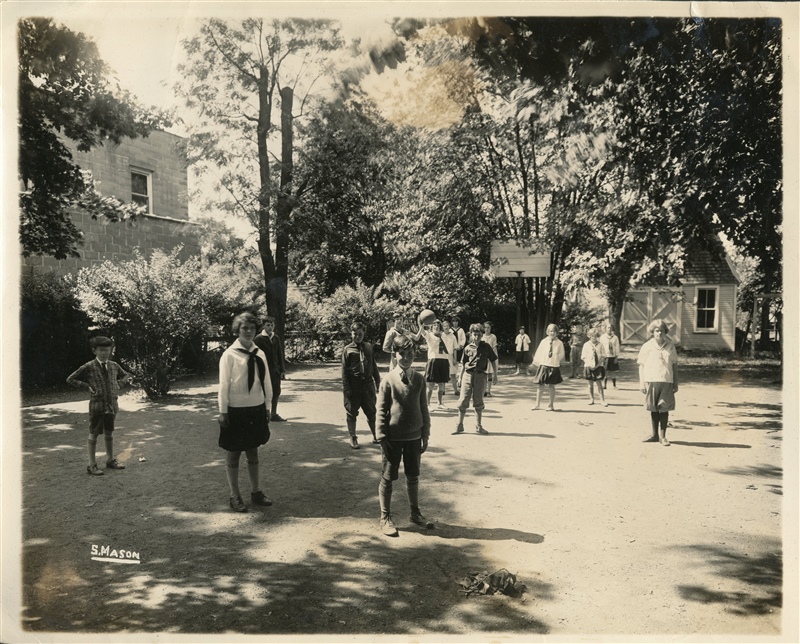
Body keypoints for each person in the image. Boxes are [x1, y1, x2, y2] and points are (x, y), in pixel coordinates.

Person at [376, 334, 433, 536]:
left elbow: (423, 407)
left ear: (415, 354)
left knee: (413, 476)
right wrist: (381, 436)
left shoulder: (419, 379)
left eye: (410, 354)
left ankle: (415, 513)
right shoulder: (388, 380)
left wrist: (425, 433)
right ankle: (385, 517)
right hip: (392, 439)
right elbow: (381, 410)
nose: (406, 358)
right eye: (402, 354)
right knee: (388, 478)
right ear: (395, 354)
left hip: (413, 438)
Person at [217, 312, 273, 512]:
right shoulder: (229, 355)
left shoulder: (260, 353)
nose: (248, 332)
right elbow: (223, 385)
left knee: (253, 449)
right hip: (235, 410)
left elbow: (266, 381)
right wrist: (223, 412)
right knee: (234, 452)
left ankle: (256, 491)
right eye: (244, 328)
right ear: (237, 330)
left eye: (251, 328)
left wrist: (268, 407)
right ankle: (234, 495)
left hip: (256, 408)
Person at [67, 336, 132, 476]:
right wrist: (87, 386)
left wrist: (119, 384)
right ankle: (91, 465)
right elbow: (71, 378)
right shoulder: (89, 366)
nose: (104, 353)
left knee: (109, 433)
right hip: (97, 406)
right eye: (101, 350)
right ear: (94, 351)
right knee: (94, 434)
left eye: (107, 350)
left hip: (112, 406)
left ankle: (110, 460)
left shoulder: (114, 366)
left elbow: (126, 375)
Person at [637, 319, 679, 446]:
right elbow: (641, 365)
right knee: (653, 408)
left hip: (666, 380)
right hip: (651, 379)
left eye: (661, 331)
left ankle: (663, 436)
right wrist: (642, 382)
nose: (659, 333)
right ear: (652, 332)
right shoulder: (647, 346)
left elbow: (674, 365)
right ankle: (654, 435)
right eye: (656, 331)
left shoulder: (670, 346)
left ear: (665, 332)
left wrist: (675, 383)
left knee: (664, 408)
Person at [341, 321, 381, 449]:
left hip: (367, 385)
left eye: (360, 334)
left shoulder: (368, 347)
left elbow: (373, 365)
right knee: (352, 412)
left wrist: (378, 381)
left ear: (364, 334)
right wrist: (347, 388)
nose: (358, 336)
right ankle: (352, 436)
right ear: (351, 334)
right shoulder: (347, 350)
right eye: (355, 334)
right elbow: (344, 371)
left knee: (371, 411)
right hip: (354, 386)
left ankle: (376, 435)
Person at [454, 323, 498, 435]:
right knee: (463, 400)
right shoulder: (467, 348)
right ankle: (459, 425)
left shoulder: (486, 347)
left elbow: (493, 360)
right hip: (467, 376)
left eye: (479, 334)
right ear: (471, 335)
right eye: (474, 334)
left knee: (478, 400)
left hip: (480, 376)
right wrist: (460, 378)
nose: (476, 337)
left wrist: (494, 374)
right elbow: (463, 364)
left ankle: (478, 426)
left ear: (482, 334)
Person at [411, 316, 456, 410]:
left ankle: (440, 403)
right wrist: (420, 324)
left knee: (442, 384)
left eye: (438, 325)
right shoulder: (429, 335)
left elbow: (451, 340)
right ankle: (428, 404)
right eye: (434, 325)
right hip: (433, 360)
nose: (436, 326)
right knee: (431, 384)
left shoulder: (444, 335)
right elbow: (423, 332)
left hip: (443, 360)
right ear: (431, 327)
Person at [254, 315, 286, 422]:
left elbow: (279, 354)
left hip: (275, 370)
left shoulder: (275, 338)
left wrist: (282, 370)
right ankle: (263, 413)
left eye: (272, 325)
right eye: (267, 325)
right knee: (264, 391)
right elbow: (255, 355)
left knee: (276, 391)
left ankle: (274, 413)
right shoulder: (259, 339)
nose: (270, 327)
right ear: (263, 326)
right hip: (264, 370)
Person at [530, 324, 565, 411]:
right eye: (550, 331)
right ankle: (537, 404)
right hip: (544, 365)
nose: (552, 333)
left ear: (557, 333)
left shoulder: (559, 343)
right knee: (540, 386)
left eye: (554, 331)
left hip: (553, 366)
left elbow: (561, 355)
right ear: (547, 332)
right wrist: (536, 364)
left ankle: (551, 405)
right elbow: (539, 353)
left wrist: (557, 361)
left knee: (551, 386)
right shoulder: (544, 342)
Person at [582, 327, 608, 406]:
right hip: (588, 366)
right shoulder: (586, 345)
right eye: (592, 336)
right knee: (590, 384)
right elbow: (583, 356)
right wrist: (589, 365)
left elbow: (603, 356)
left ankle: (602, 400)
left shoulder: (600, 345)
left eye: (596, 336)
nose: (594, 338)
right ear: (589, 336)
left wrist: (597, 365)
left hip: (598, 366)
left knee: (599, 383)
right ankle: (591, 398)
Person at [441, 320, 461, 395]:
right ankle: (442, 390)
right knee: (443, 374)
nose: (446, 327)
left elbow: (455, 348)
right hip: (443, 356)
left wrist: (455, 358)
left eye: (447, 326)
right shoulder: (441, 335)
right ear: (442, 327)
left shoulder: (453, 336)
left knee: (453, 374)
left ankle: (456, 390)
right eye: (444, 326)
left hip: (450, 356)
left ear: (449, 327)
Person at [600, 322, 621, 390]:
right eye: (608, 327)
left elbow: (617, 347)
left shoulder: (615, 337)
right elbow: (601, 347)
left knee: (613, 371)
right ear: (605, 329)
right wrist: (601, 356)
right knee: (605, 371)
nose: (609, 329)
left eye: (611, 328)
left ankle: (614, 385)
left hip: (613, 356)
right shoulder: (603, 337)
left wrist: (616, 357)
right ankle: (604, 385)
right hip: (606, 356)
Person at [481, 321, 499, 396]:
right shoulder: (481, 336)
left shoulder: (493, 336)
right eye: (485, 327)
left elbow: (494, 347)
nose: (487, 329)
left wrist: (491, 356)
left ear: (490, 328)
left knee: (490, 373)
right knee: (484, 374)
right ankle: (484, 390)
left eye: (488, 327)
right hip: (484, 357)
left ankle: (488, 391)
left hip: (491, 357)